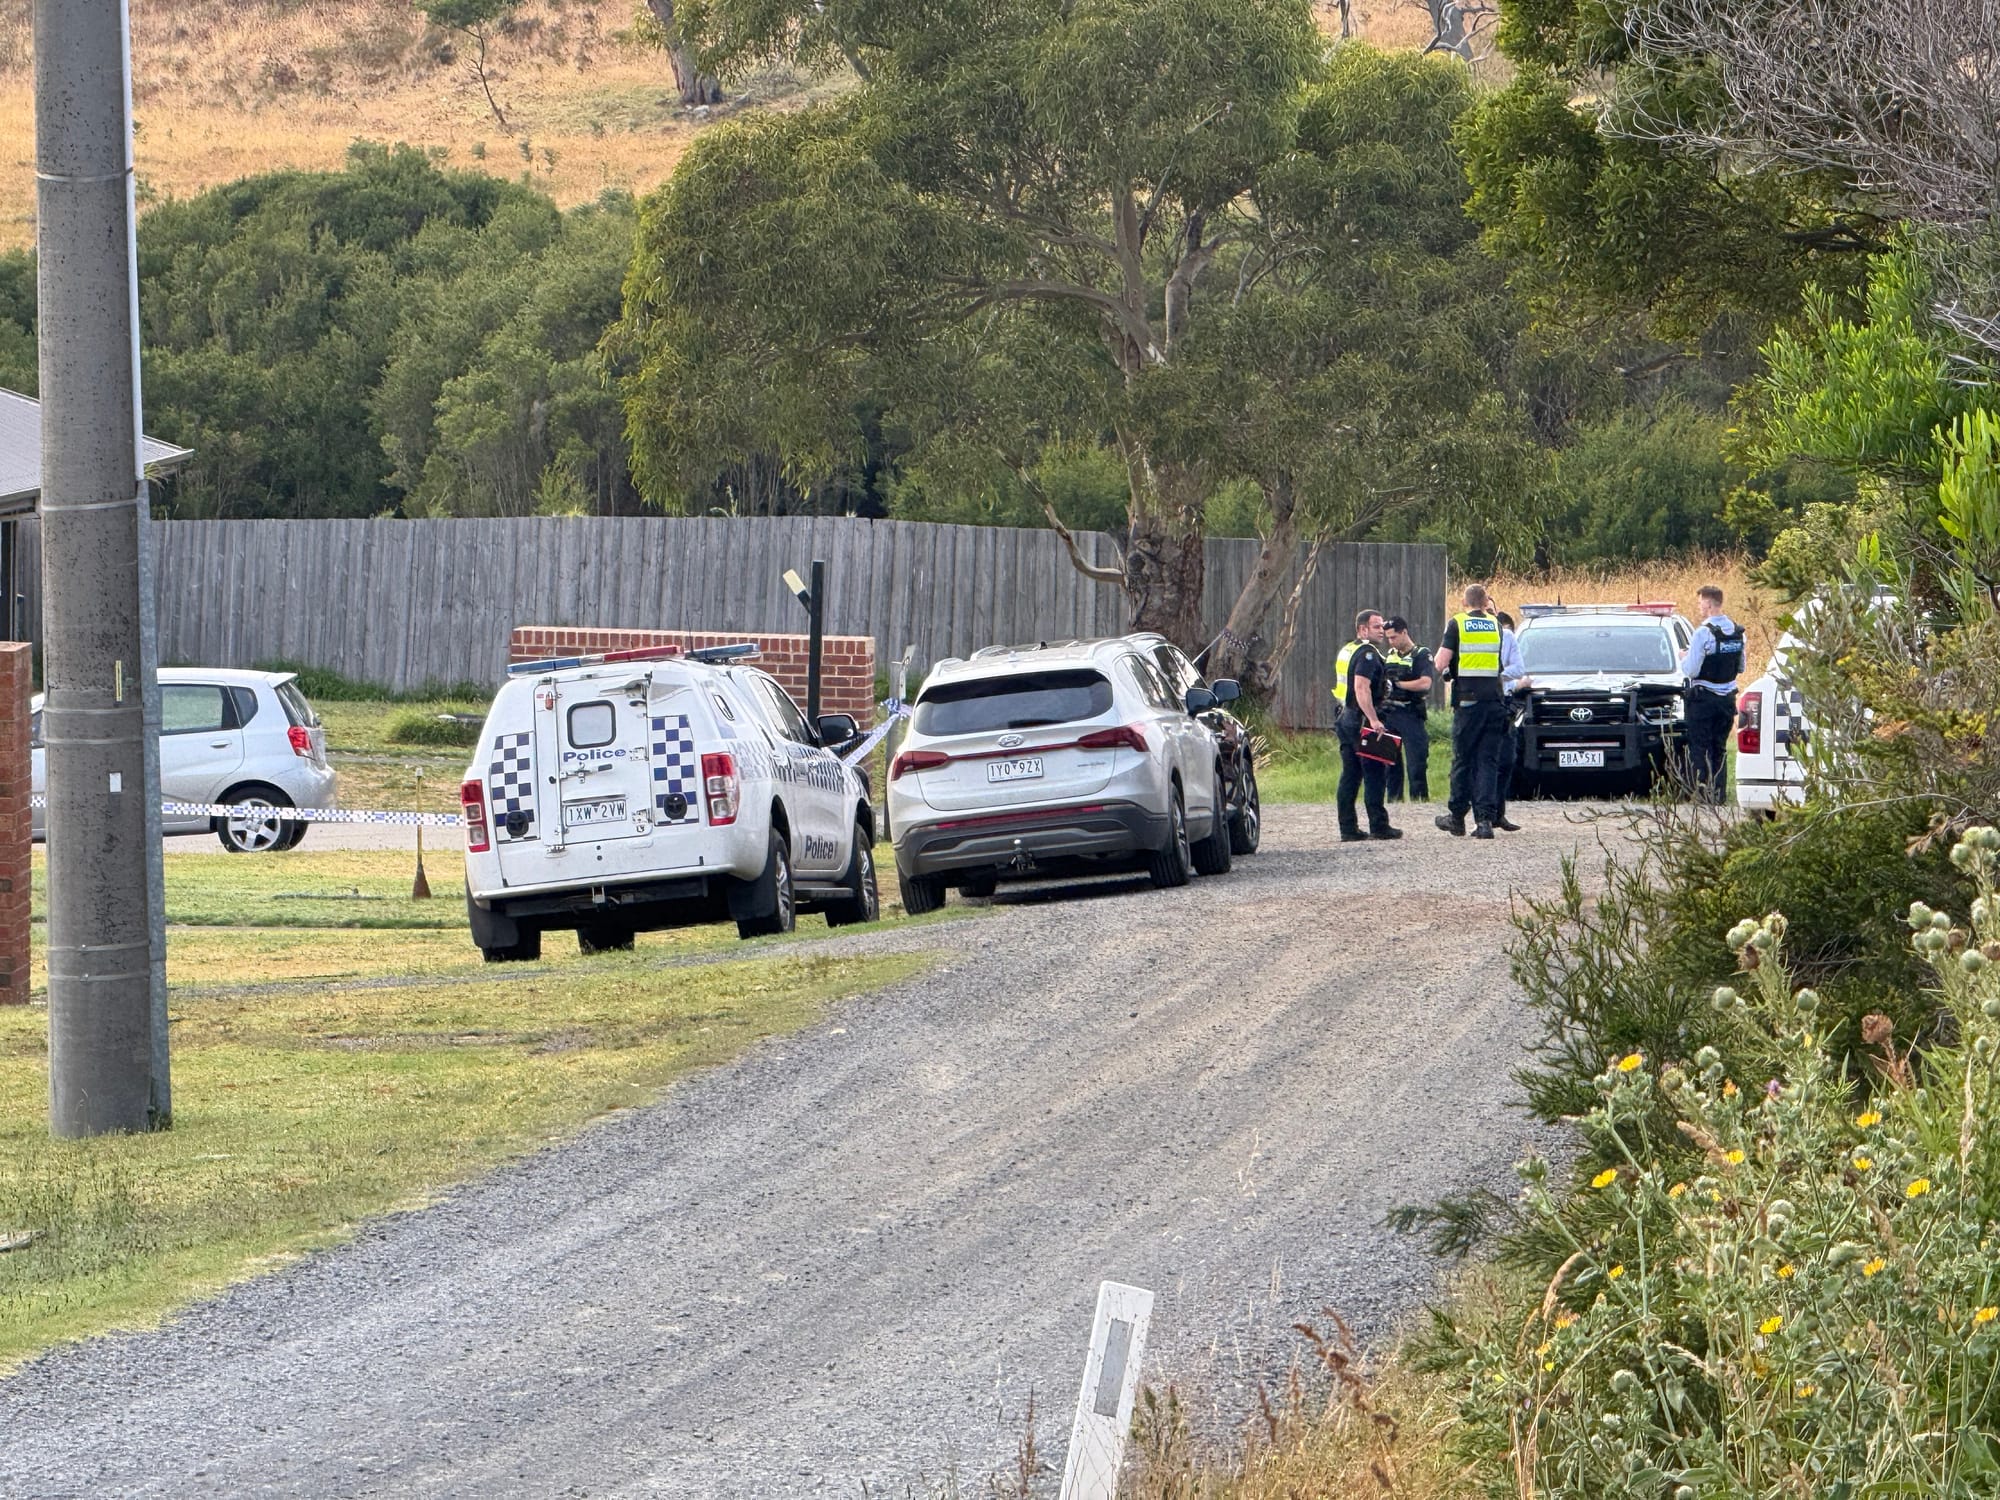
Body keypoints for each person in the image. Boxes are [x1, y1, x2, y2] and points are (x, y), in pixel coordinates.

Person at [1433, 584, 1507, 840]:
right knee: (1487, 761)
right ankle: (1484, 821)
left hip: (1468, 702)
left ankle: (1456, 817)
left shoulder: (1458, 624)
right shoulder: (1496, 625)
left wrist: (1446, 669)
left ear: (1465, 603)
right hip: (1494, 701)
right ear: (1486, 602)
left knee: (1463, 760)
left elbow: (1441, 662)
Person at [1333, 608, 1401, 842]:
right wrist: (1373, 719)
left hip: (1345, 716)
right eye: (1376, 626)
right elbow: (1361, 687)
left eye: (1382, 626)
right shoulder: (1368, 655)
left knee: (1350, 774)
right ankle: (1379, 826)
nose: (1381, 631)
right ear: (1362, 629)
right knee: (1374, 773)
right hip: (1361, 719)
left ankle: (1348, 828)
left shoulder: (1348, 650)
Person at [1678, 582, 1745, 802]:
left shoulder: (1703, 633)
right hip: (1727, 700)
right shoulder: (1737, 632)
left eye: (1700, 603)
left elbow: (1691, 670)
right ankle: (1719, 794)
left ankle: (1700, 793)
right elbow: (1741, 667)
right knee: (1720, 748)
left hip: (1703, 700)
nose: (1699, 607)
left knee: (1700, 747)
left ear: (1707, 604)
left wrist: (1683, 657)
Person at [1380, 617, 1433, 802]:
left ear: (1404, 632)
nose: (1391, 641)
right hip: (1390, 713)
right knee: (1390, 763)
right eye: (1388, 638)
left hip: (1411, 712)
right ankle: (1394, 802)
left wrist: (1399, 685)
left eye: (1394, 637)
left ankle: (1419, 801)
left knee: (1416, 763)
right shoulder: (1390, 655)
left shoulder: (1421, 654)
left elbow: (1425, 683)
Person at [1491, 611, 1532, 833]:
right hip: (1485, 703)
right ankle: (1485, 815)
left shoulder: (1508, 639)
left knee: (1507, 760)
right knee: (1487, 764)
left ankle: (1499, 814)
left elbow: (1518, 670)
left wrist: (1498, 677)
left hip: (1505, 704)